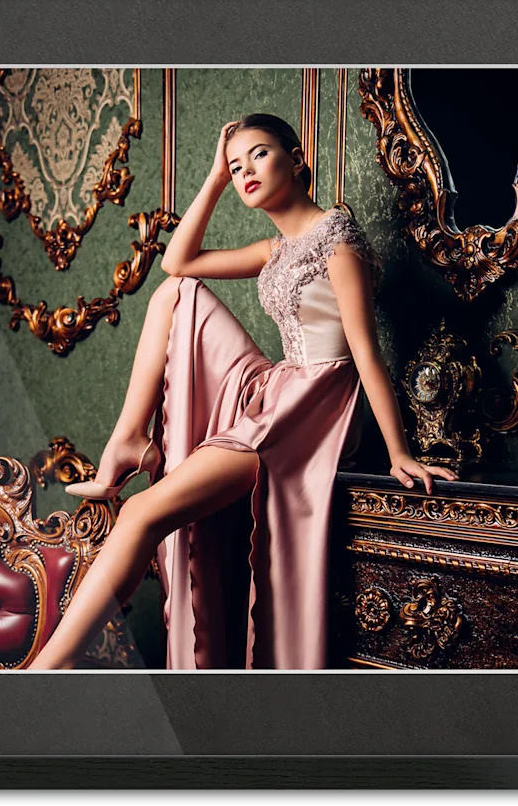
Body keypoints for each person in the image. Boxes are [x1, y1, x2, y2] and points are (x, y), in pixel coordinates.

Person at [26, 113, 457, 671]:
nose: (244, 170)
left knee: (137, 515)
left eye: (257, 154)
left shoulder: (339, 243)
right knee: (177, 292)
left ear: (297, 157)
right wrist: (213, 177)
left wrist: (400, 453)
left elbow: (367, 355)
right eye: (236, 165)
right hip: (280, 389)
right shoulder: (274, 250)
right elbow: (177, 262)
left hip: (316, 408)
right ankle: (132, 438)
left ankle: (43, 673)